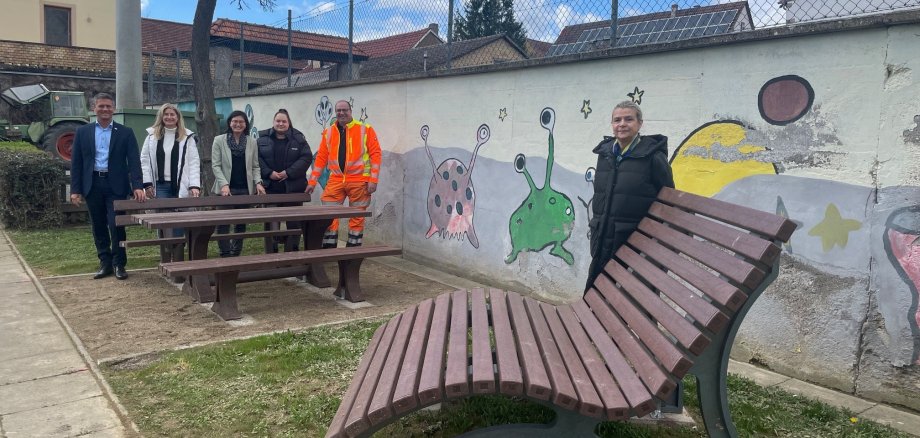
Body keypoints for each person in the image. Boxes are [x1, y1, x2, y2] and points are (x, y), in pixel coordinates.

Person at [586, 101, 674, 291]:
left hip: (634, 240)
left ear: (640, 123)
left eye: (629, 119)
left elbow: (668, 198)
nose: (622, 124)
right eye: (617, 120)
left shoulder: (652, 156)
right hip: (602, 236)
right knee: (598, 289)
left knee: (635, 294)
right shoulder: (605, 154)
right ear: (612, 124)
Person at [70, 92, 146, 280]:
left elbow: (134, 161)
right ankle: (105, 263)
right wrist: (75, 190)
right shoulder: (83, 132)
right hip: (92, 184)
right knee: (98, 225)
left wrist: (137, 185)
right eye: (101, 106)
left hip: (116, 186)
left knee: (116, 224)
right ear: (94, 108)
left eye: (108, 106)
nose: (105, 109)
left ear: (114, 109)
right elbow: (77, 162)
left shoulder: (125, 132)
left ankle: (119, 263)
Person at [306, 100, 381, 248]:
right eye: (338, 110)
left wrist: (373, 179)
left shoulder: (365, 129)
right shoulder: (328, 132)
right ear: (335, 112)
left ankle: (353, 249)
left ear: (350, 111)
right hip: (336, 179)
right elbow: (321, 157)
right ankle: (329, 247)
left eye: (344, 110)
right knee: (329, 214)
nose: (341, 113)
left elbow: (376, 155)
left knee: (357, 216)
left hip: (359, 180)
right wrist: (312, 182)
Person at [139, 103, 200, 241]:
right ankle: (166, 250)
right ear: (161, 117)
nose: (169, 117)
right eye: (166, 114)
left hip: (180, 185)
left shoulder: (187, 137)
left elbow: (194, 162)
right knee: (163, 219)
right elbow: (144, 161)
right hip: (160, 186)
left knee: (179, 219)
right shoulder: (151, 136)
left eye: (172, 114)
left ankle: (177, 249)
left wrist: (194, 185)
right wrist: (147, 183)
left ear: (178, 117)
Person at [212, 110, 266, 257]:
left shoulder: (251, 142)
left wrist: (258, 183)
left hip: (244, 188)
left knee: (240, 224)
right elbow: (215, 165)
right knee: (223, 223)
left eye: (241, 122)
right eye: (235, 121)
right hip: (225, 190)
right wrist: (223, 184)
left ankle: (236, 253)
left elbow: (255, 166)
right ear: (230, 123)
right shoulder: (219, 140)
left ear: (245, 124)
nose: (238, 124)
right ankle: (225, 253)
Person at [257, 109, 313, 251]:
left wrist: (288, 173)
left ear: (289, 123)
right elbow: (256, 159)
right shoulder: (261, 139)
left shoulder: (299, 138)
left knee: (294, 224)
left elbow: (306, 158)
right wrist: (269, 173)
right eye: (278, 121)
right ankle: (272, 253)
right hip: (270, 189)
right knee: (272, 224)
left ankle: (292, 253)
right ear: (273, 122)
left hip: (293, 189)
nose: (280, 124)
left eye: (284, 121)